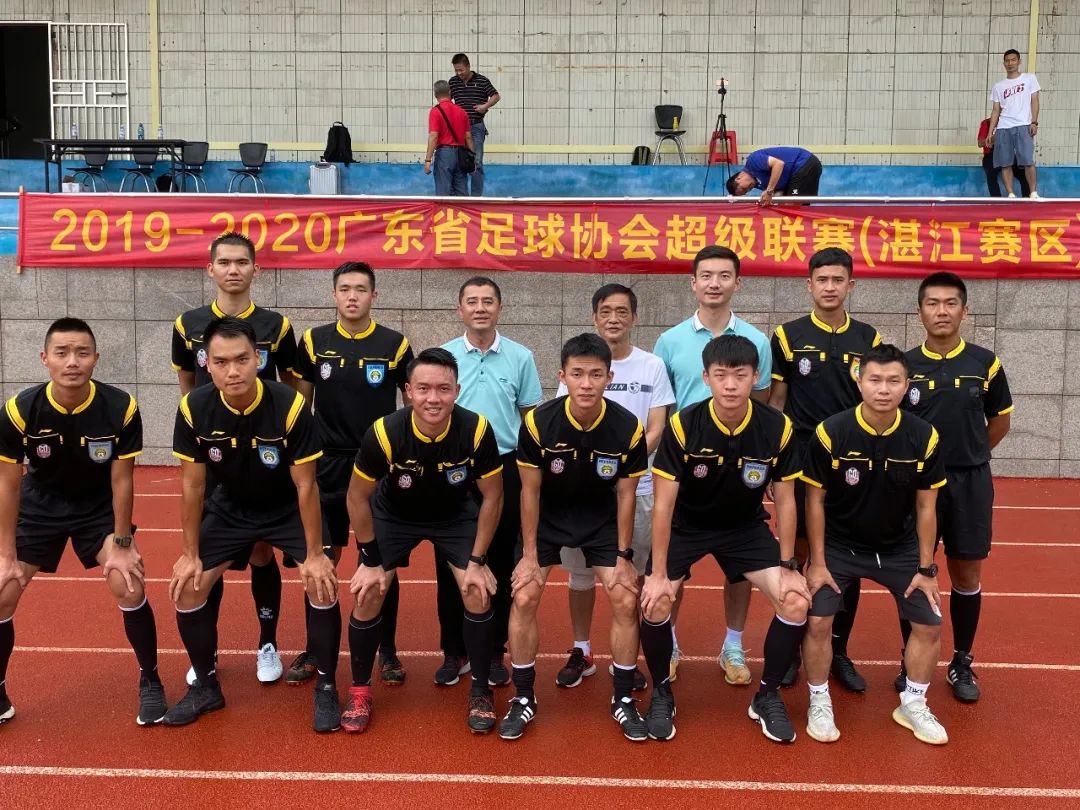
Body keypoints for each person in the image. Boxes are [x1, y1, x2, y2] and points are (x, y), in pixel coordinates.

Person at [166, 317, 340, 732]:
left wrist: (314, 555)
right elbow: (192, 486)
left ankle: (327, 687)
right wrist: (189, 553)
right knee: (188, 588)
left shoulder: (290, 405)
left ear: (258, 358)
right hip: (231, 507)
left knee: (321, 582)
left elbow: (306, 485)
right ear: (207, 364)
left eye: (242, 359)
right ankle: (206, 686)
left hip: (286, 506)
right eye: (221, 362)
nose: (233, 371)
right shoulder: (193, 408)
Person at [640, 335, 810, 744]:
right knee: (655, 600)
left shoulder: (778, 427)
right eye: (721, 375)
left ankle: (767, 696)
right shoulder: (683, 425)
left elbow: (787, 500)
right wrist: (658, 573)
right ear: (706, 378)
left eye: (740, 375)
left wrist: (789, 566)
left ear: (756, 377)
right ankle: (661, 693)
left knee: (795, 600)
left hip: (744, 527)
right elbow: (663, 505)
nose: (731, 385)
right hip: (687, 525)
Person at [0, 318, 165, 727]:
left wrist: (122, 543)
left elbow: (122, 479)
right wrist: (5, 553)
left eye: (81, 353)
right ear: (45, 359)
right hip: (41, 504)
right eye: (62, 353)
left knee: (128, 582)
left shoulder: (121, 407)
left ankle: (151, 679)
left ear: (95, 358)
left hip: (97, 506)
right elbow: (8, 485)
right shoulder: (19, 410)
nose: (72, 361)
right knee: (3, 589)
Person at [343, 348, 504, 735]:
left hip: (454, 516)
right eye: (424, 388)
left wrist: (479, 561)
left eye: (444, 389)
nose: (434, 398)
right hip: (395, 516)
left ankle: (481, 691)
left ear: (457, 391)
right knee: (368, 591)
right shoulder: (385, 432)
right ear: (408, 391)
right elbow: (356, 497)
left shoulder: (476, 429)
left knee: (477, 590)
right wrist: (369, 559)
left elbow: (494, 496)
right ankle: (360, 691)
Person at [502, 334, 649, 742]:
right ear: (562, 376)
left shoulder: (628, 428)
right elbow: (529, 491)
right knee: (525, 595)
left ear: (609, 378)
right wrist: (529, 555)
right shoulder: (538, 423)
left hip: (601, 520)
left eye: (596, 375)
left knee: (626, 596)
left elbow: (626, 494)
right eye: (578, 374)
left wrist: (624, 555)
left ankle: (623, 698)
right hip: (549, 518)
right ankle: (523, 696)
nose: (586, 384)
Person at [801, 344, 949, 746]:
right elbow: (813, 501)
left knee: (930, 624)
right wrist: (817, 562)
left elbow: (926, 506)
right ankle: (819, 699)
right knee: (817, 620)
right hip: (839, 546)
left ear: (907, 385)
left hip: (899, 549)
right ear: (859, 381)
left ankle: (913, 703)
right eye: (875, 380)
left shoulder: (924, 436)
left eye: (893, 381)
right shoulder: (831, 432)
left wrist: (926, 569)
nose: (884, 389)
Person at [172, 231, 299, 686]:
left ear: (255, 270)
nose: (233, 270)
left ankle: (267, 643)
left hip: (263, 456)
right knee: (212, 552)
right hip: (214, 455)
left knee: (262, 550)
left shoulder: (276, 326)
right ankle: (207, 652)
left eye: (241, 262)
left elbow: (292, 388)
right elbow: (188, 386)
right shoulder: (187, 324)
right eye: (224, 262)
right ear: (210, 269)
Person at [288, 261, 414, 687]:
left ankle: (387, 650)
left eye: (361, 289)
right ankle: (315, 648)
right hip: (326, 467)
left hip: (375, 468)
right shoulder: (313, 341)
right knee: (321, 561)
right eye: (345, 289)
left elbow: (410, 407)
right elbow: (301, 407)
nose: (353, 296)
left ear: (374, 295)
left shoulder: (395, 344)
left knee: (380, 562)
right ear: (334, 294)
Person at [653, 244, 772, 687]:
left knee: (741, 567)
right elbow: (663, 405)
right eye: (706, 275)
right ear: (693, 283)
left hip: (739, 473)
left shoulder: (757, 341)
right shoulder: (669, 341)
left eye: (724, 275)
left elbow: (762, 403)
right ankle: (670, 642)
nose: (715, 283)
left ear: (738, 282)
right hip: (685, 469)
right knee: (673, 568)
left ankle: (733, 645)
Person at [768, 248, 881, 691]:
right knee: (796, 554)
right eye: (822, 279)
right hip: (800, 456)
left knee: (845, 556)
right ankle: (793, 647)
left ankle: (839, 650)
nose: (830, 287)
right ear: (809, 285)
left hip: (850, 461)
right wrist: (774, 463)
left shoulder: (869, 338)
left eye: (838, 280)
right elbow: (777, 402)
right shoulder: (787, 335)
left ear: (851, 285)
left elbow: (873, 404)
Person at [554, 284, 674, 692]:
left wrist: (625, 464)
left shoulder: (651, 366)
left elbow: (656, 426)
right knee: (581, 577)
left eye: (622, 311)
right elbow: (565, 421)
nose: (614, 318)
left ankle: (627, 658)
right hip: (585, 495)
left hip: (637, 490)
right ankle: (582, 650)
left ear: (634, 318)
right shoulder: (577, 364)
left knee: (630, 578)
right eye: (606, 311)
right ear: (594, 317)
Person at [901, 272, 1012, 704]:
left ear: (965, 311)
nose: (942, 311)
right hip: (915, 486)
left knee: (966, 573)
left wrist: (971, 454)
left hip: (969, 482)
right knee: (913, 571)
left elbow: (999, 422)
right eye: (933, 303)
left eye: (950, 303)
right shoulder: (904, 365)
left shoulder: (986, 363)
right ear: (919, 312)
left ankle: (961, 661)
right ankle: (909, 659)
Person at [439, 277, 543, 689]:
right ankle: (454, 651)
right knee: (450, 562)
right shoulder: (444, 356)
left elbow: (530, 418)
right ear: (460, 309)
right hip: (453, 468)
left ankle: (495, 650)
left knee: (499, 560)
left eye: (488, 301)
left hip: (504, 466)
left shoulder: (520, 357)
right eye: (472, 301)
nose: (480, 308)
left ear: (499, 308)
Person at [986, 48, 1040, 198]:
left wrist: (1034, 122)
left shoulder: (1029, 78)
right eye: (1007, 61)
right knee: (1005, 163)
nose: (1010, 63)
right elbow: (995, 110)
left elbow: (1035, 101)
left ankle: (1033, 192)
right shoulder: (998, 86)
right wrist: (990, 132)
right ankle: (1011, 193)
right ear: (1004, 63)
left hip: (1023, 125)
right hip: (1004, 127)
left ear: (1019, 61)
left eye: (1013, 60)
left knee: (1027, 160)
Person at [449, 53, 500, 196]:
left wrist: (485, 106)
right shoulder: (453, 82)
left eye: (461, 70)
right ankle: (462, 195)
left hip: (476, 127)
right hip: (459, 128)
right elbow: (447, 100)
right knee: (459, 161)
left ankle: (476, 197)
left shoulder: (482, 80)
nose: (459, 73)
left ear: (468, 66)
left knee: (476, 161)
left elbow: (496, 96)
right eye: (456, 70)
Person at [424, 79, 475, 197]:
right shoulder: (462, 112)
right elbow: (468, 137)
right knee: (462, 193)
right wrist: (472, 159)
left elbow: (433, 136)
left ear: (435, 95)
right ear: (450, 92)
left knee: (444, 193)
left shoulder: (435, 111)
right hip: (461, 154)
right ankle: (463, 209)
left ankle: (445, 210)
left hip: (444, 154)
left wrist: (428, 160)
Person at [725, 146, 822, 205]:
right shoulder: (759, 184)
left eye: (743, 188)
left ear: (738, 178)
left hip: (803, 163)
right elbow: (780, 191)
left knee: (792, 205)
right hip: (800, 173)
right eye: (746, 192)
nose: (748, 190)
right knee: (800, 206)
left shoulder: (752, 161)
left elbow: (778, 164)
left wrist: (769, 191)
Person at [977, 117, 1029, 197]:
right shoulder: (987, 123)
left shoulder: (1010, 123)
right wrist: (993, 139)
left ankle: (1027, 198)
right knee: (991, 174)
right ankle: (997, 200)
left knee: (1023, 173)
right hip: (991, 154)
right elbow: (980, 143)